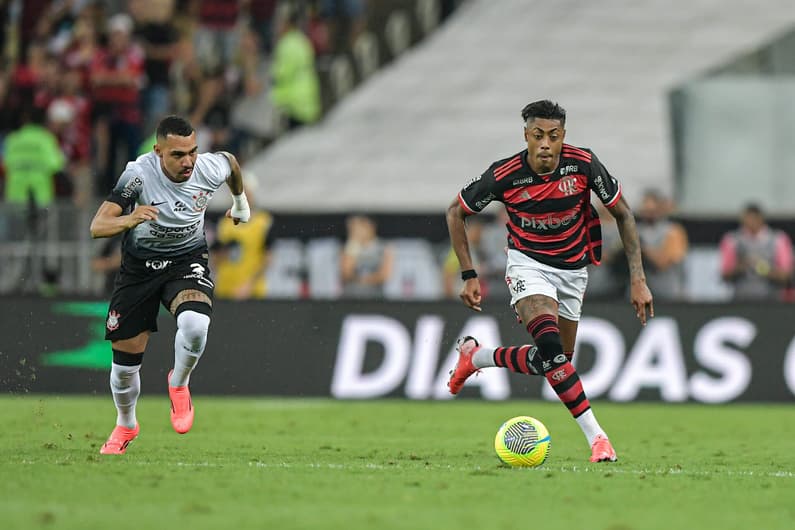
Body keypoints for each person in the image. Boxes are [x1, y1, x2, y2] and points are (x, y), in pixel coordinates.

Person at [445, 100, 653, 463]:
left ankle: (475, 356)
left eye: (553, 136)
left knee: (554, 362)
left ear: (563, 137)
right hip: (528, 266)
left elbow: (623, 213)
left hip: (573, 271)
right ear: (526, 136)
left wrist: (638, 278)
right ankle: (598, 439)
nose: (545, 144)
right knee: (554, 352)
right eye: (538, 135)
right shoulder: (505, 174)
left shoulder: (583, 164)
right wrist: (468, 273)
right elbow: (455, 211)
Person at [89, 115, 252, 454]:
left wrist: (240, 204)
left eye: (192, 151)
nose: (188, 161)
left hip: (186, 261)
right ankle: (126, 424)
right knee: (123, 370)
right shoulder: (138, 174)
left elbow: (232, 164)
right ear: (158, 151)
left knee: (195, 324)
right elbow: (98, 226)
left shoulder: (207, 167)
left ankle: (179, 383)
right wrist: (130, 217)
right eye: (178, 155)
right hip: (139, 270)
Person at [719, 203, 794, 301]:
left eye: (753, 219)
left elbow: (786, 276)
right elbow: (724, 275)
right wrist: (742, 266)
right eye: (747, 219)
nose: (750, 223)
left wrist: (763, 268)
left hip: (773, 302)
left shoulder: (778, 239)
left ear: (760, 219)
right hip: (740, 301)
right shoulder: (732, 240)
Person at [634, 189, 689, 300]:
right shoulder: (636, 231)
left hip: (668, 294)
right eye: (646, 209)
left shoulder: (673, 231)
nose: (649, 213)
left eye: (652, 210)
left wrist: (641, 248)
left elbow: (663, 262)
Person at [340, 214, 394, 298]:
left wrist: (363, 280)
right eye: (351, 228)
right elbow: (345, 274)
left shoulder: (383, 246)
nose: (353, 231)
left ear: (370, 226)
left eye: (357, 227)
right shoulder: (350, 247)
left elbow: (384, 275)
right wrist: (353, 245)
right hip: (351, 298)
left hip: (375, 299)